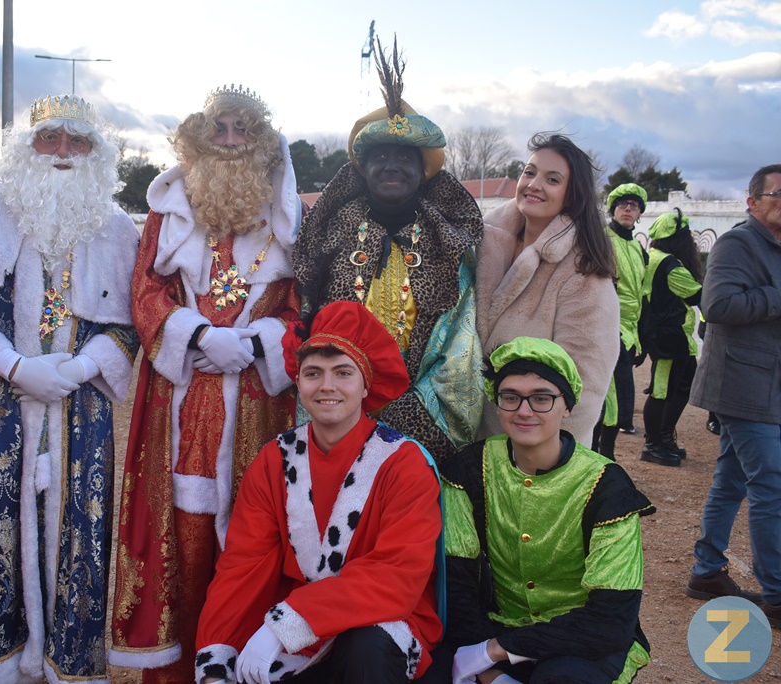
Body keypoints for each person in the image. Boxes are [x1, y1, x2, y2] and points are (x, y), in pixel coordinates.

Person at [110, 85, 301, 681]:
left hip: (256, 403)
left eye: (242, 129)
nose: (229, 140)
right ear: (198, 136)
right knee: (180, 527)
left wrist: (256, 342)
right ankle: (175, 661)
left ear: (262, 141)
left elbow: (303, 310)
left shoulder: (288, 220)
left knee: (254, 529)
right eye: (219, 128)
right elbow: (145, 292)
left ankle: (243, 662)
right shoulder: (168, 213)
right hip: (182, 396)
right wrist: (196, 336)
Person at [0, 95, 139, 683]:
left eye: (77, 141)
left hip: (82, 412)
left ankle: (70, 663)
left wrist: (80, 369)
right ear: (25, 147)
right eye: (49, 137)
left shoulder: (117, 228)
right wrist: (12, 365)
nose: (62, 152)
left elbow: (130, 325)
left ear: (96, 153)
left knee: (82, 532)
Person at [195, 301, 443, 684]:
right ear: (298, 382)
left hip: (381, 625)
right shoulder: (273, 460)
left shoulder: (404, 462)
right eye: (313, 373)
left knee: (365, 647)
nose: (327, 386)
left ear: (366, 385)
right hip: (294, 639)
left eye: (343, 373)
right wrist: (217, 656)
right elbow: (243, 567)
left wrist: (287, 624)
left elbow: (396, 575)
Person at [293, 39, 485, 464]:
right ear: (364, 169)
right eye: (381, 156)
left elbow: (461, 341)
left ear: (422, 171)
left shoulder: (448, 244)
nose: (392, 165)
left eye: (405, 157)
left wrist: (404, 418)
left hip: (417, 423)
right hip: (334, 413)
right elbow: (305, 320)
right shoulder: (330, 232)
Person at [439, 337, 654, 684]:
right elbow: (457, 584)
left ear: (566, 406)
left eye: (541, 398)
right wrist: (484, 661)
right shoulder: (470, 470)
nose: (524, 411)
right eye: (511, 397)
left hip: (583, 640)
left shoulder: (606, 486)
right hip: (499, 625)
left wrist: (493, 652)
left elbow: (611, 619)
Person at [476, 133, 619, 447]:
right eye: (529, 172)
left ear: (572, 195)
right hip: (468, 443)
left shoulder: (583, 273)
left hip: (533, 452)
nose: (534, 184)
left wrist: (544, 455)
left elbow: (586, 383)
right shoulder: (482, 244)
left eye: (552, 179)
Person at [687, 164, 781, 627]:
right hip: (742, 385)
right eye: (778, 194)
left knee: (732, 479)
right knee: (772, 484)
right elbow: (717, 305)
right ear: (753, 201)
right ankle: (777, 593)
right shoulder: (736, 243)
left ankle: (706, 571)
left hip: (769, 386)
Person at [638, 209, 702, 467]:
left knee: (681, 384)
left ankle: (663, 438)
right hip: (670, 336)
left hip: (667, 335)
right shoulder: (670, 265)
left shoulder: (651, 256)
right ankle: (654, 444)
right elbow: (696, 296)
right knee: (662, 390)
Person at [591, 183, 648, 458]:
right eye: (622, 204)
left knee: (618, 401)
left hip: (629, 331)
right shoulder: (601, 240)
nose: (628, 209)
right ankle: (599, 455)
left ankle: (606, 455)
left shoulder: (638, 248)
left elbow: (643, 293)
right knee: (607, 398)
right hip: (605, 328)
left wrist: (643, 337)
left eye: (634, 205)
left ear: (639, 213)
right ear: (613, 209)